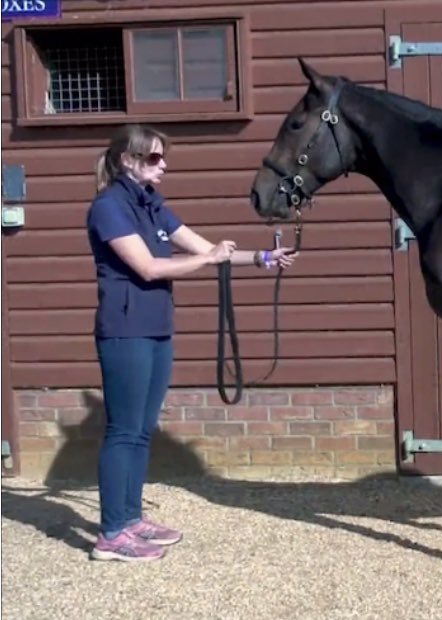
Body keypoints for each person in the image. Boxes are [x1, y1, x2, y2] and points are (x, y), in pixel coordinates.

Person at [85, 124, 298, 562]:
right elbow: (148, 267)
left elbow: (205, 248)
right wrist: (207, 257)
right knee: (123, 431)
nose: (163, 164)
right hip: (125, 330)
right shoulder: (109, 207)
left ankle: (131, 518)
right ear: (128, 160)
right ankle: (111, 534)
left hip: (157, 328)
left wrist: (261, 258)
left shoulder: (151, 204)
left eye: (163, 157)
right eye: (154, 157)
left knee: (143, 429)